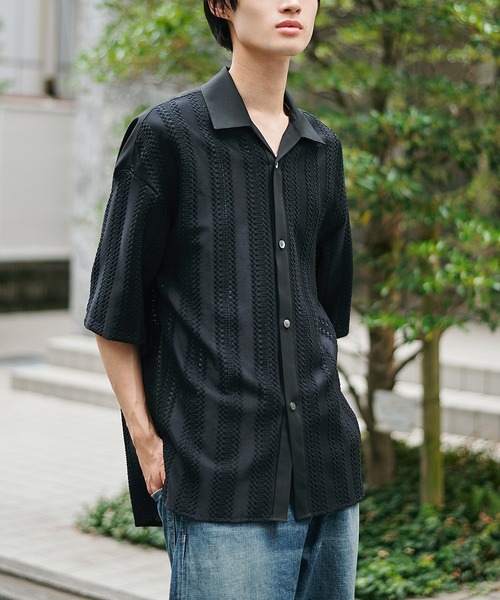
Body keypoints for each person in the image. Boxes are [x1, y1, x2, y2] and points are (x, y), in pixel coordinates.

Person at [85, 0, 364, 598]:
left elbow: (325, 310)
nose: (294, 3)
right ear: (220, 6)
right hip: (216, 483)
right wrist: (146, 440)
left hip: (328, 476)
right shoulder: (166, 137)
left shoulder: (323, 149)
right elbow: (114, 309)